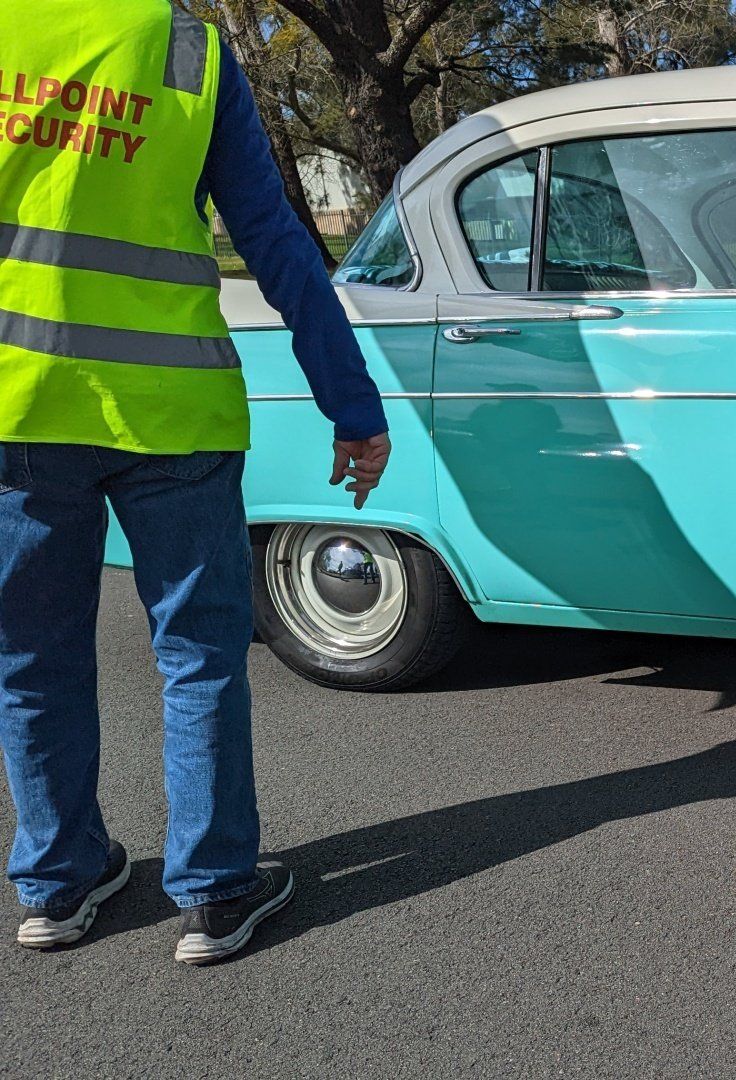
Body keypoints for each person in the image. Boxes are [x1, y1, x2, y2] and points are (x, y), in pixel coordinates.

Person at [1, 0, 389, 964]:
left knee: (31, 662)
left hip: (16, 410)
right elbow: (276, 240)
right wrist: (353, 404)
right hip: (174, 411)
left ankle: (59, 881)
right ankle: (216, 891)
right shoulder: (189, 52)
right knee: (199, 655)